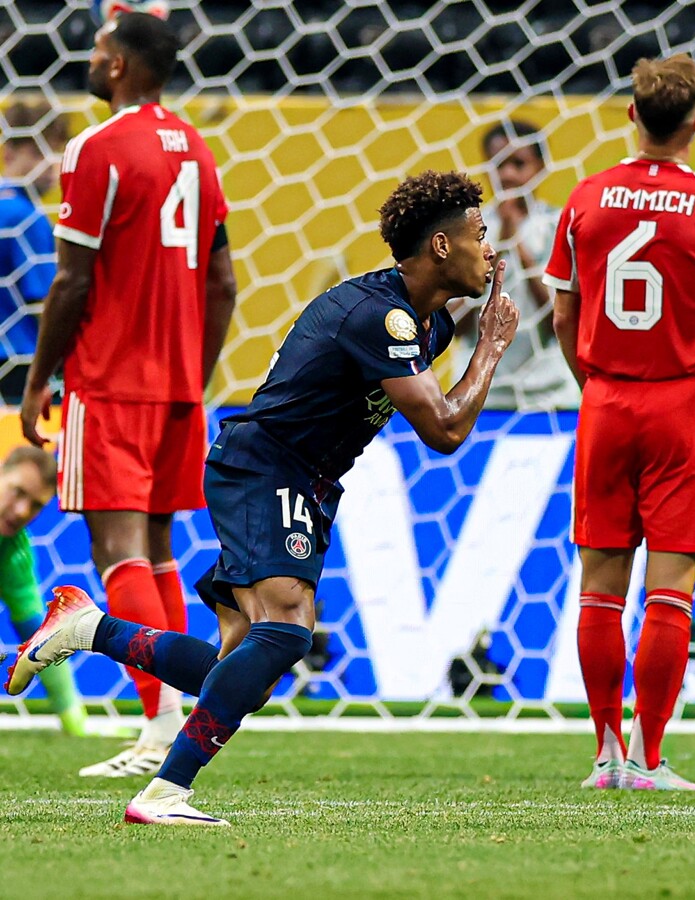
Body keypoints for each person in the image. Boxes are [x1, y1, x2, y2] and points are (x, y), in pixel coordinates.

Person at [6, 169, 519, 826]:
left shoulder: (422, 322)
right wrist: (492, 347)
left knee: (241, 668)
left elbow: (431, 387)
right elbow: (444, 430)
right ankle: (164, 794)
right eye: (480, 234)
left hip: (299, 479)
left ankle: (87, 628)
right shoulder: (381, 316)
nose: (490, 248)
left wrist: (480, 325)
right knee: (287, 628)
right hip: (267, 467)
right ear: (442, 246)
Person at [18, 13, 237, 777]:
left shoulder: (96, 148)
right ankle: (178, 722)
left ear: (117, 66)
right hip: (178, 386)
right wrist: (194, 375)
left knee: (117, 553)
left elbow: (72, 281)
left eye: (97, 50)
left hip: (110, 379)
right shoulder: (198, 150)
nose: (88, 60)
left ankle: (161, 726)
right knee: (159, 550)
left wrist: (39, 380)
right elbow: (223, 282)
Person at [543, 53, 695, 791]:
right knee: (670, 589)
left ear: (630, 115)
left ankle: (605, 755)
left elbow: (563, 316)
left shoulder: (586, 199)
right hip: (685, 404)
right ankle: (648, 759)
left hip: (607, 402)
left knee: (600, 587)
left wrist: (598, 387)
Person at [451, 119, 579, 410]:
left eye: (519, 164)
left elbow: (559, 321)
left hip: (549, 394)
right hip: (480, 394)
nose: (507, 174)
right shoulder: (464, 230)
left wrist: (517, 245)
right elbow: (455, 327)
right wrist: (495, 252)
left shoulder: (559, 226)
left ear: (541, 167)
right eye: (499, 164)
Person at [0, 446, 87, 735]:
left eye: (36, 505)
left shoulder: (14, 553)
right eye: (18, 492)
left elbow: (38, 637)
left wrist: (74, 719)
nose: (22, 511)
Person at [0, 100, 67, 406]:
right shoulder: (26, 217)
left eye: (55, 154)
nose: (50, 165)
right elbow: (47, 303)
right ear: (8, 153)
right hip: (21, 363)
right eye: (39, 152)